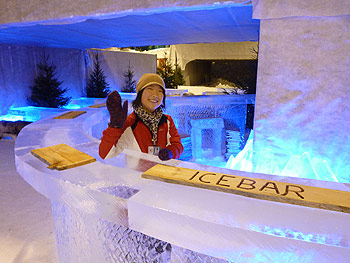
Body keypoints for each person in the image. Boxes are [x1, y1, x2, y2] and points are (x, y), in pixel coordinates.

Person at [99, 73, 183, 161]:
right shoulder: (129, 122)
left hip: (161, 172)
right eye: (150, 89)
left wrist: (170, 152)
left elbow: (177, 145)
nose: (155, 94)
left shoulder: (167, 121)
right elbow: (105, 154)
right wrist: (115, 126)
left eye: (160, 91)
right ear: (140, 93)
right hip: (137, 174)